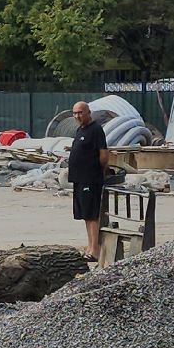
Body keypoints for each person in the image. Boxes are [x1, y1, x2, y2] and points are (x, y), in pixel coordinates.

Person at [66, 102, 111, 260]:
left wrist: (97, 171)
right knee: (85, 214)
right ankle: (90, 245)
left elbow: (104, 155)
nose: (77, 116)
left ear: (88, 113)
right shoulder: (80, 130)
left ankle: (95, 250)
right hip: (79, 179)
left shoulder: (96, 130)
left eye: (80, 112)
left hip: (91, 179)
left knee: (92, 214)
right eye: (75, 113)